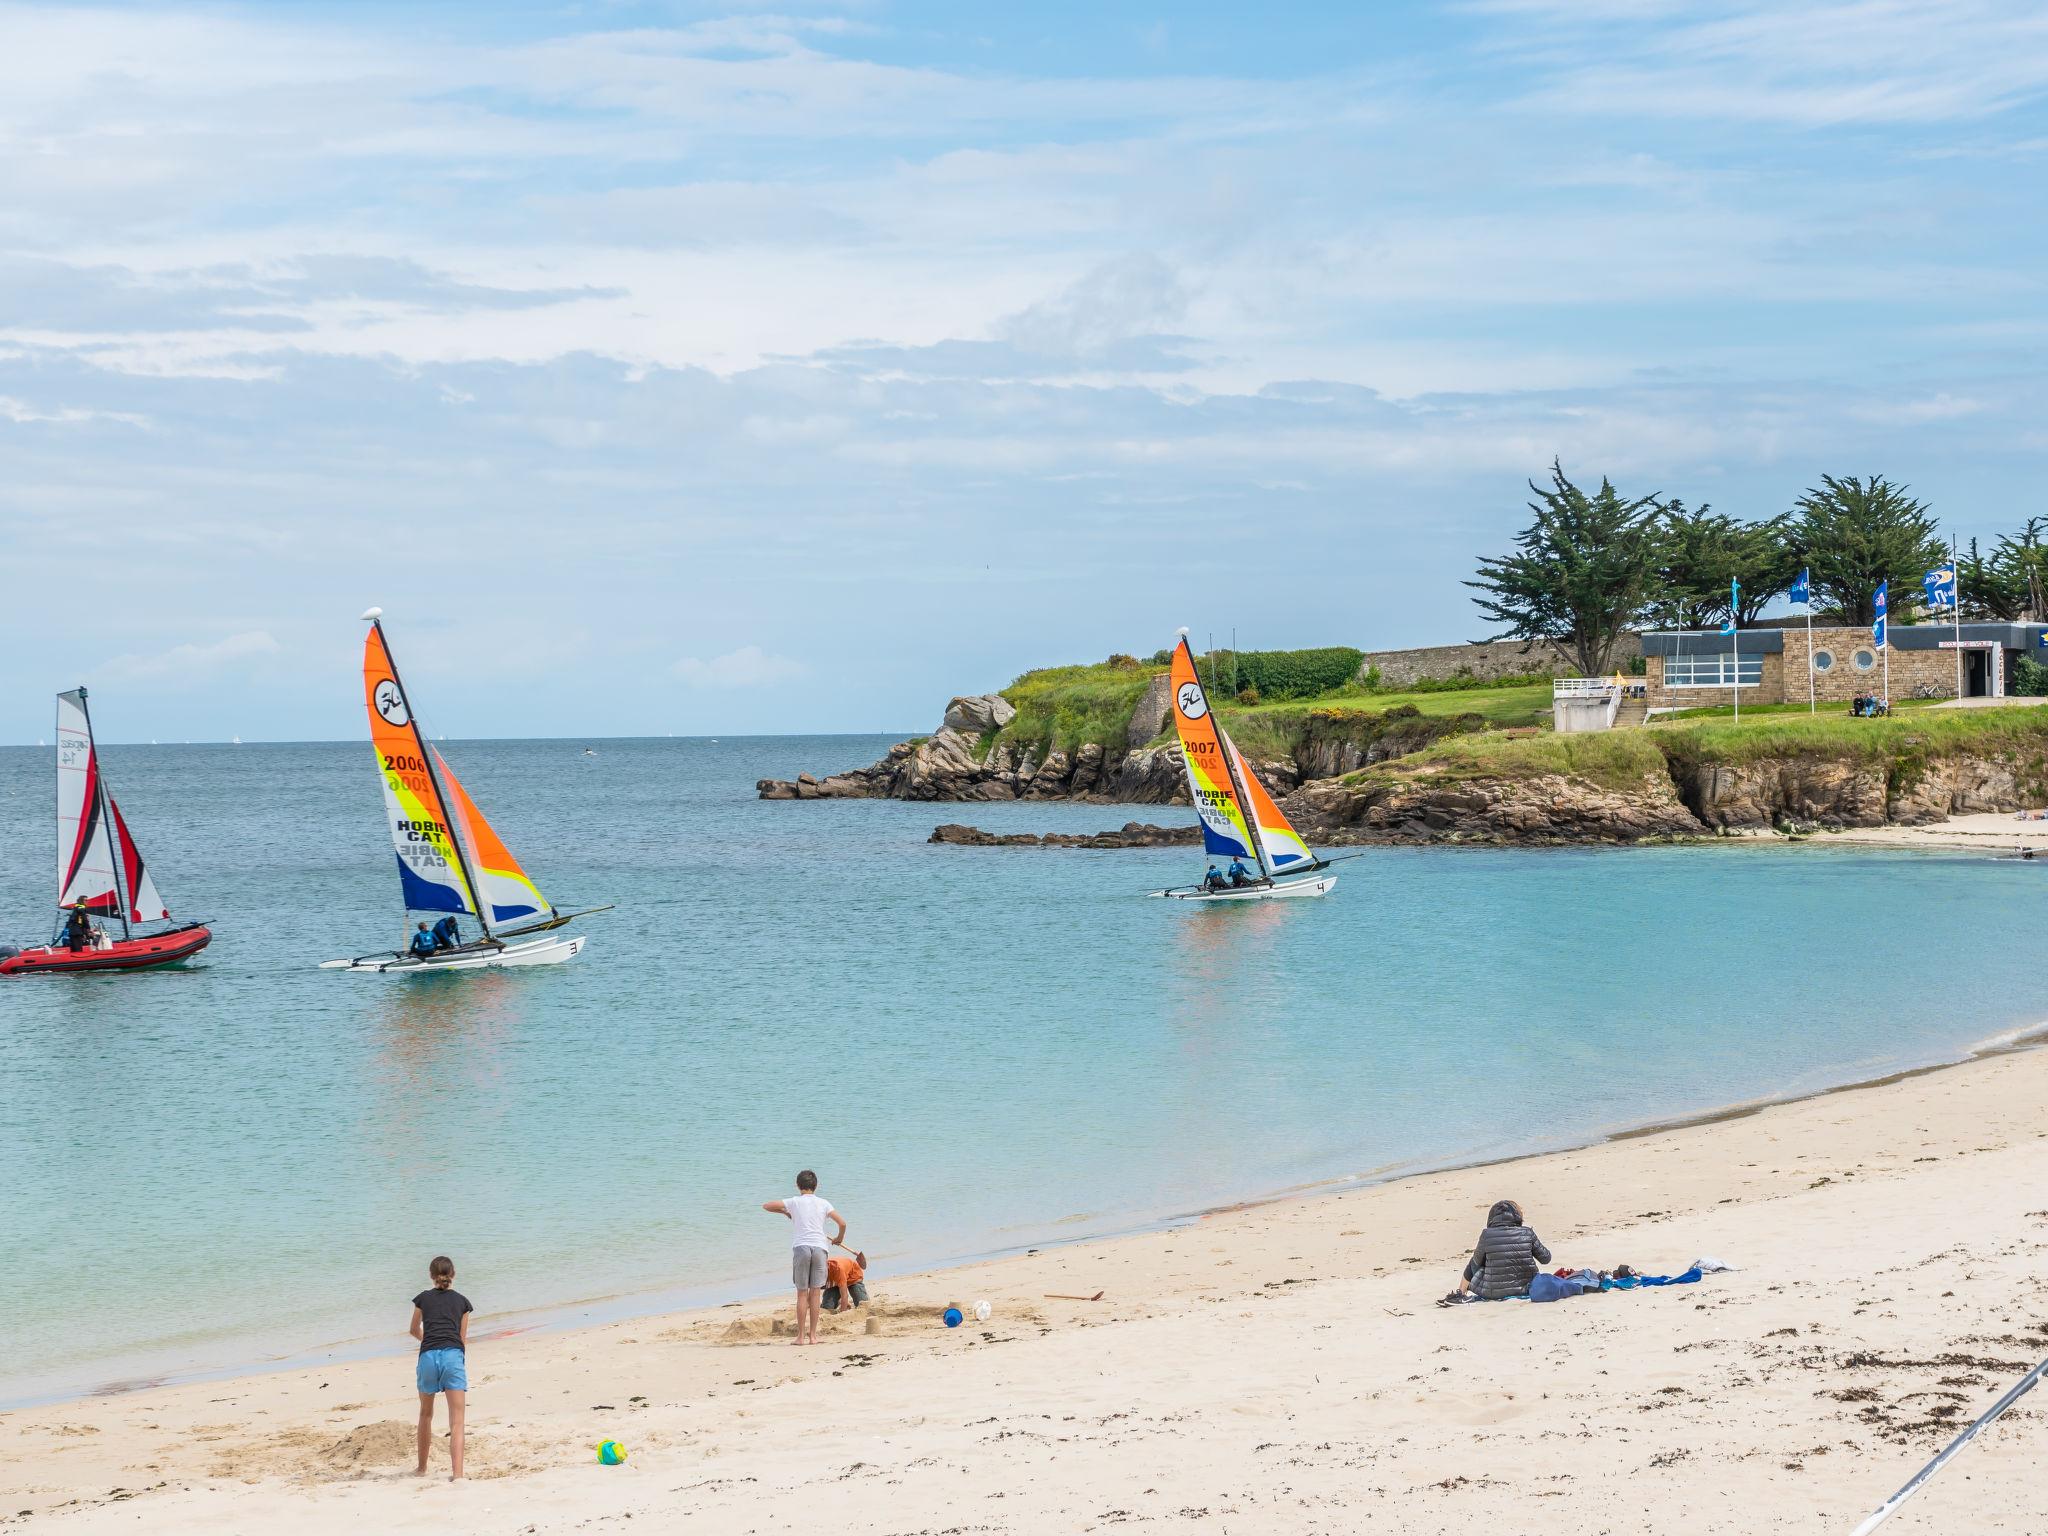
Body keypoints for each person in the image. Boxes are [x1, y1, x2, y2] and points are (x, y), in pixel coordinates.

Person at [763, 1170, 847, 1346]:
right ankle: (813, 1336)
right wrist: (839, 1238)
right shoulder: (824, 1203)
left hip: (801, 1248)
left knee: (802, 1294)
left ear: (797, 1185)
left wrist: (786, 1212)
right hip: (819, 1248)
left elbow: (767, 1205)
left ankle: (800, 1337)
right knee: (815, 1293)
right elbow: (842, 1223)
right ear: (816, 1186)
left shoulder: (794, 1202)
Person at [409, 1254, 472, 1480]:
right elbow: (461, 1338)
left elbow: (414, 1329)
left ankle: (421, 1468)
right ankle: (458, 1475)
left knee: (426, 1414)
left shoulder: (422, 1299)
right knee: (457, 1420)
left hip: (428, 1356)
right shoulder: (463, 1302)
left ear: (431, 1276)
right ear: (452, 1275)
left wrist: (429, 1340)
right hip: (452, 1355)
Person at [1455, 1199, 1552, 1301]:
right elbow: (1546, 1259)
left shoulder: (1486, 1235)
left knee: (1477, 1260)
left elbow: (1474, 1266)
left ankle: (1460, 1292)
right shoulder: (1527, 1233)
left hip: (1493, 1293)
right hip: (1527, 1289)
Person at [822, 1248, 869, 1314]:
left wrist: (843, 1313)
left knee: (862, 1304)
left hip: (853, 1277)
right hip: (835, 1282)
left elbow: (844, 1295)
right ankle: (839, 1301)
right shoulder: (813, 1272)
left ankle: (860, 1296)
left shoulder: (837, 1269)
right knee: (827, 1307)